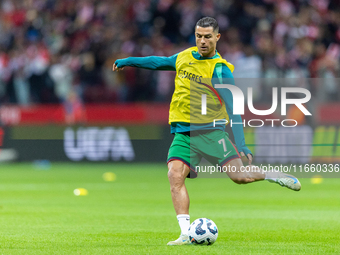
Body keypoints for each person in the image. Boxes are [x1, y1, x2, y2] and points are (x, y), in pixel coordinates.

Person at [113, 17, 301, 246]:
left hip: (212, 133)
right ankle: (185, 234)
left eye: (207, 37)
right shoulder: (185, 56)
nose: (202, 41)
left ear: (217, 38)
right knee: (174, 175)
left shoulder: (221, 71)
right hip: (183, 133)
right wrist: (128, 61)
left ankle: (273, 175)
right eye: (199, 36)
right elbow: (158, 62)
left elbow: (234, 110)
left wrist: (241, 145)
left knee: (240, 177)